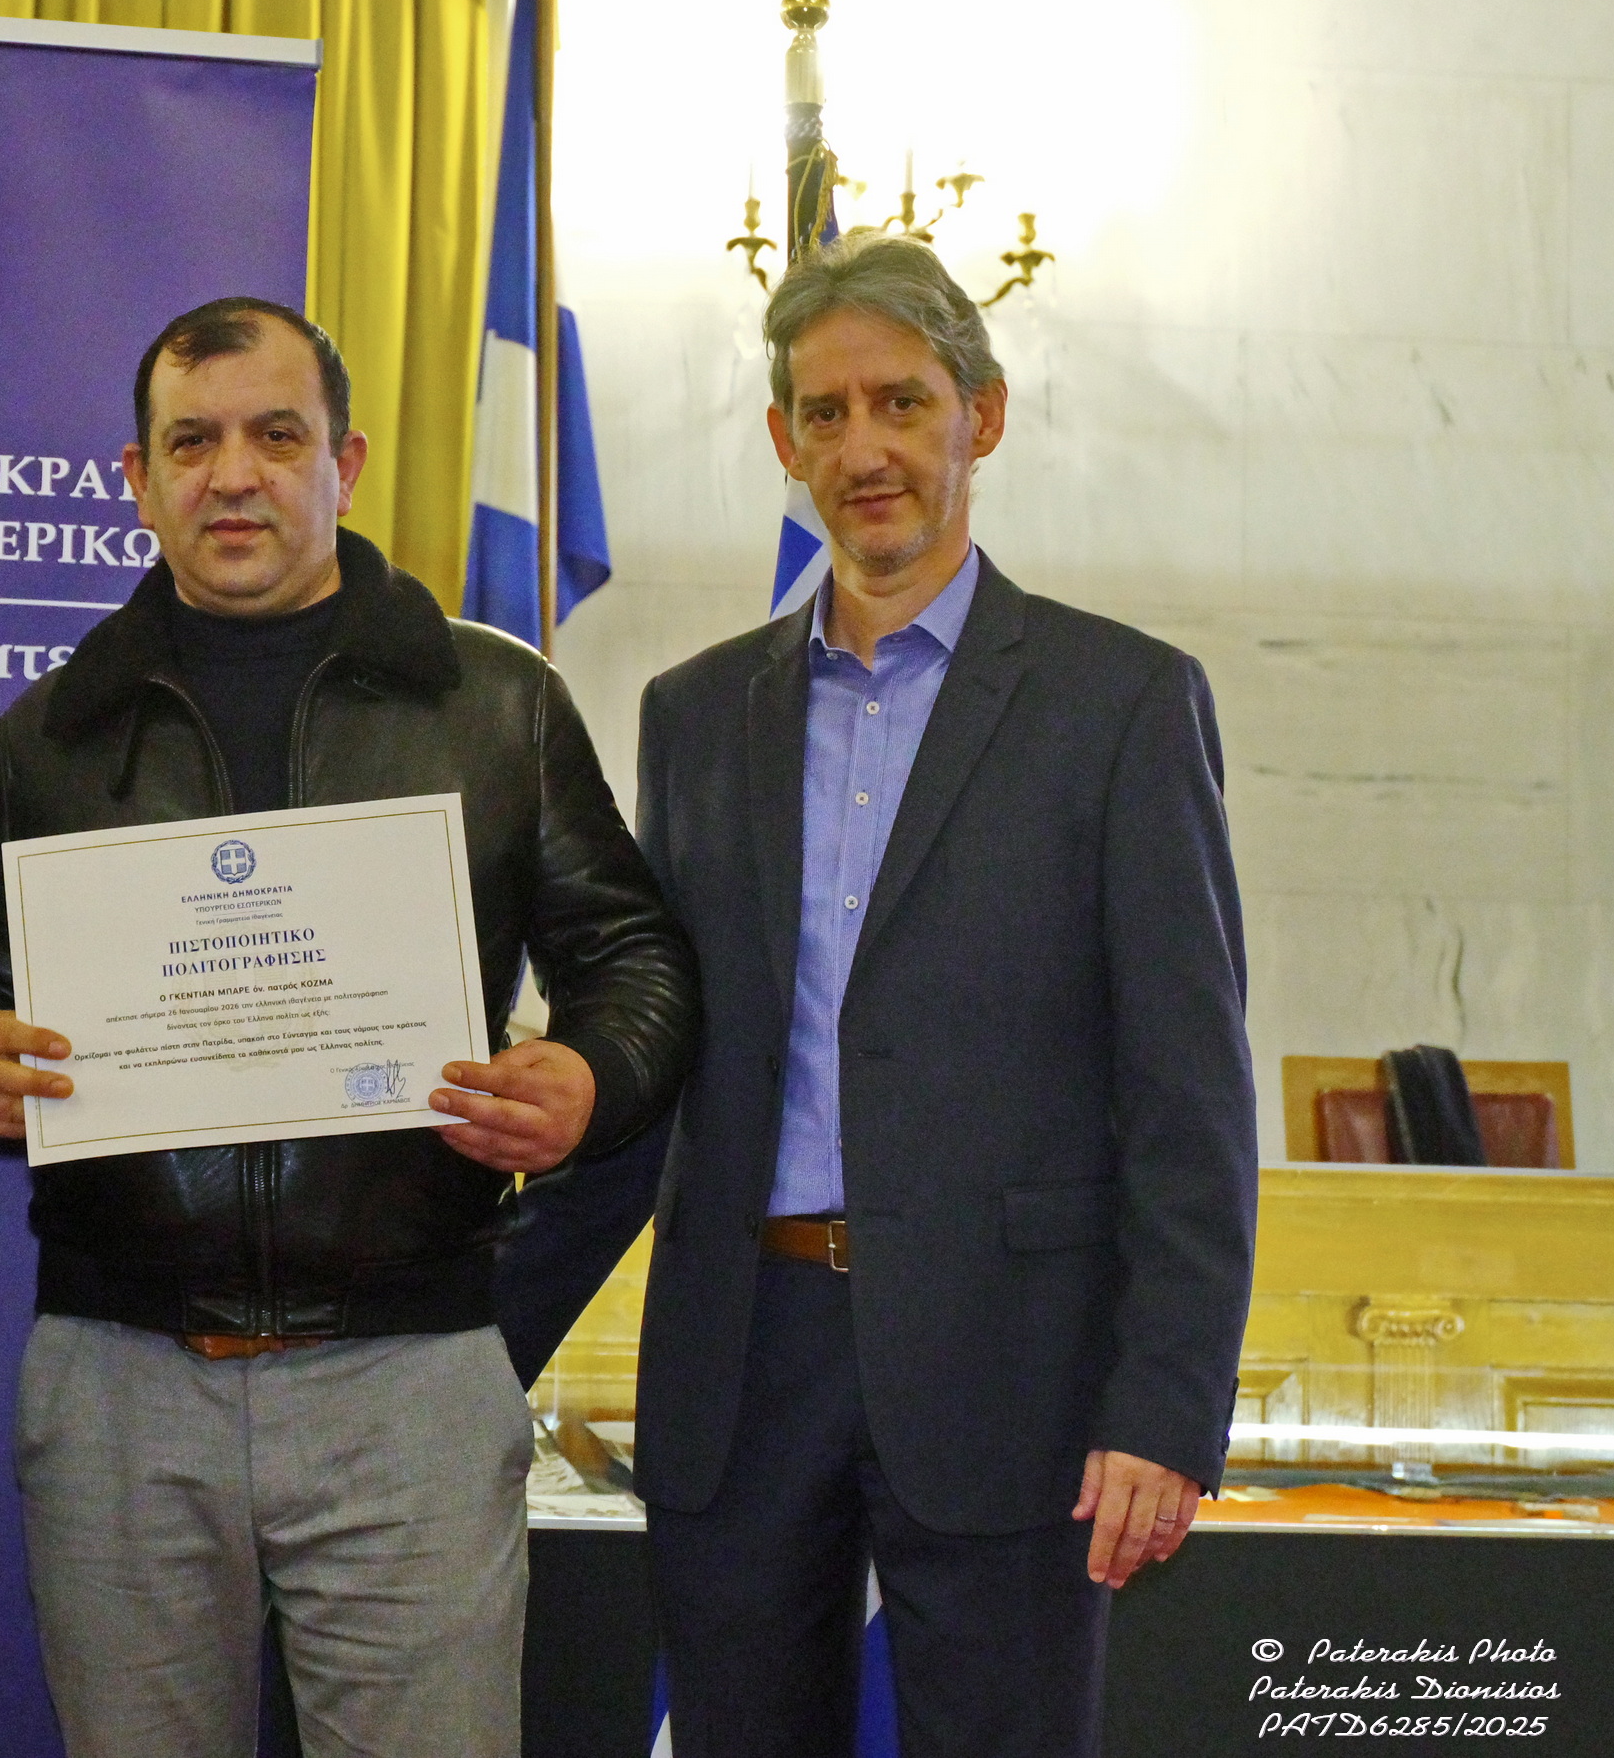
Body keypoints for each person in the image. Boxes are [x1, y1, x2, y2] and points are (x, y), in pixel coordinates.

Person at [0, 297, 697, 1757]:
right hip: (121, 1379)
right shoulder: (49, 735)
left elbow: (634, 956)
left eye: (276, 435)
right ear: (139, 481)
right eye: (191, 443)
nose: (234, 475)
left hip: (407, 1378)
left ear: (346, 462)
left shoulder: (497, 702)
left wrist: (588, 1072)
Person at [506, 230, 1259, 1756]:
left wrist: (1165, 1405)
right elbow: (669, 1048)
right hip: (742, 1357)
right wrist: (481, 1330)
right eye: (827, 412)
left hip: (1014, 1371)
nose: (866, 450)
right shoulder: (694, 714)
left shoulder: (1122, 703)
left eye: (903, 403)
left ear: (982, 416)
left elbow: (1190, 1098)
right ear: (784, 440)